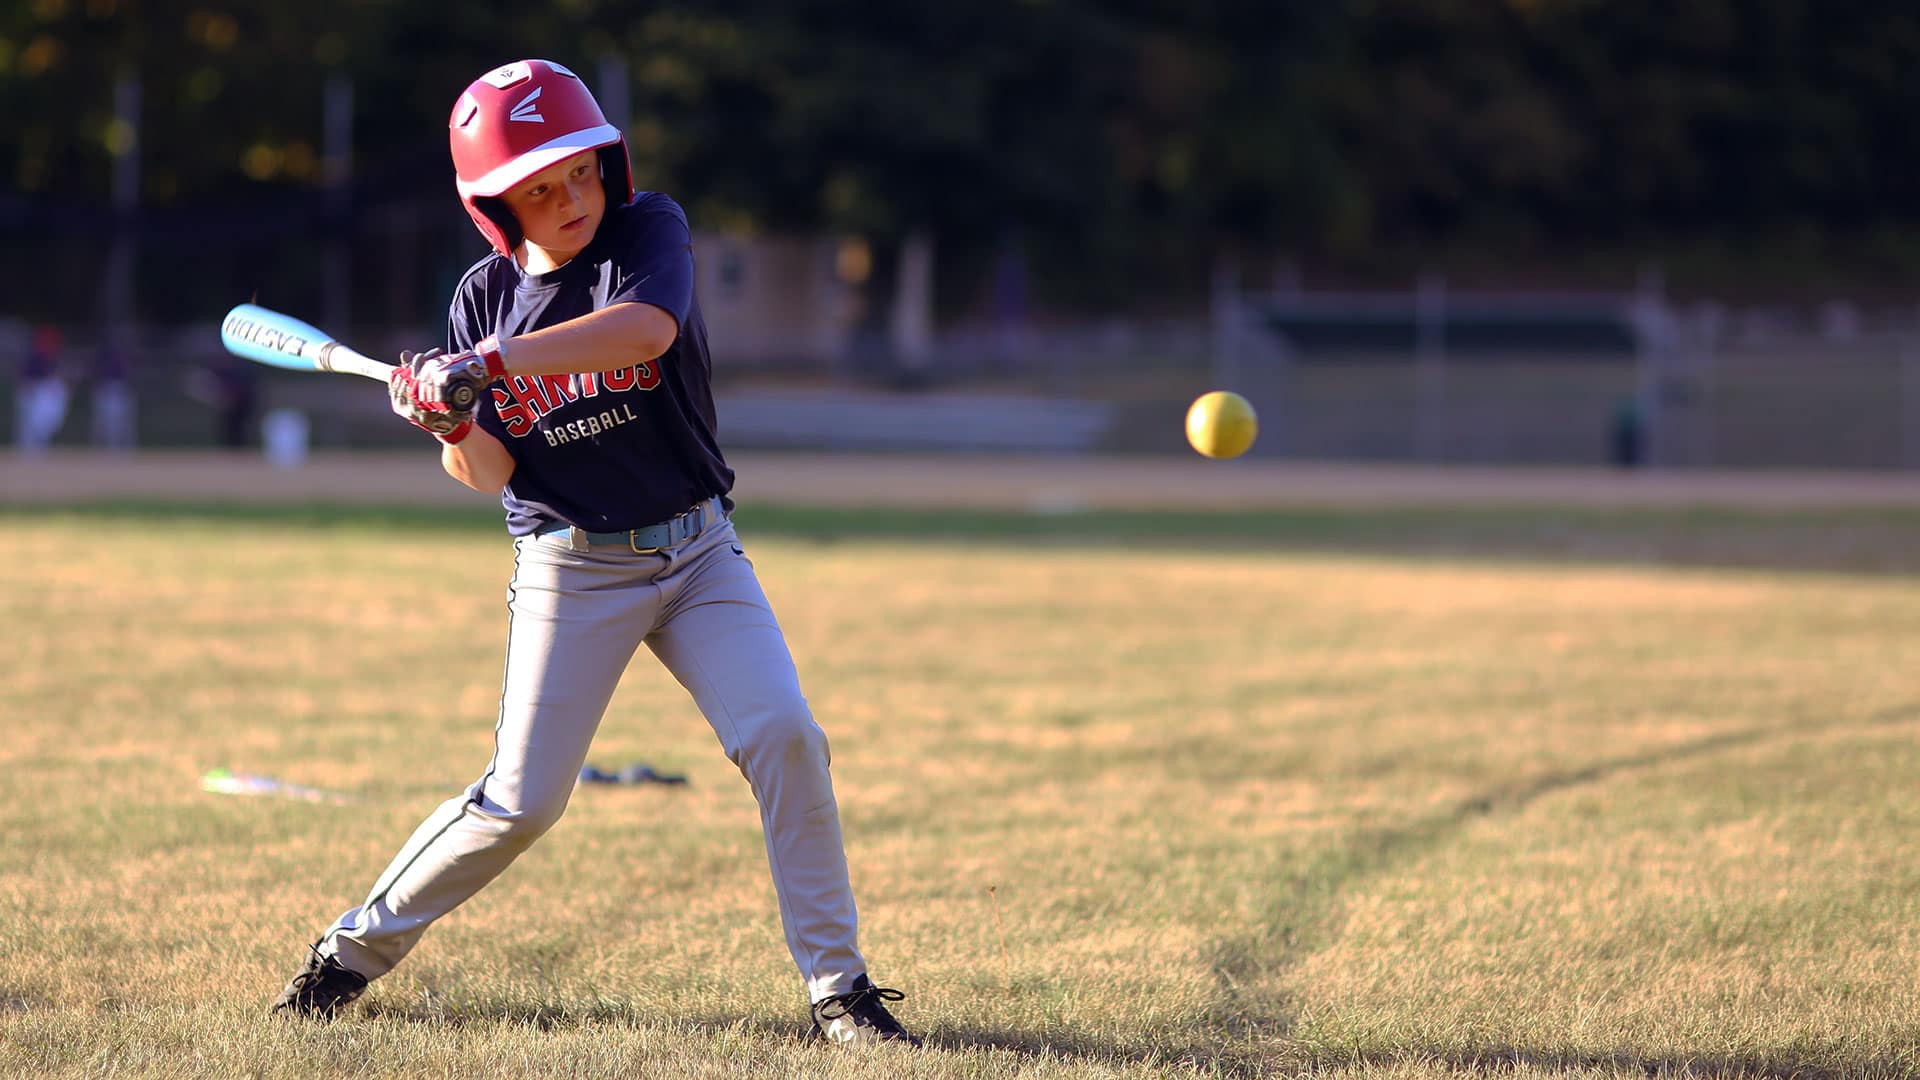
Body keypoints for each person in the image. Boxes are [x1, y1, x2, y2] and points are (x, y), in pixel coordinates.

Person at [268, 59, 919, 1048]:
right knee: (521, 805)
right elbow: (487, 475)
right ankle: (348, 955)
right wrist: (443, 418)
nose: (570, 197)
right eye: (539, 186)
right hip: (572, 569)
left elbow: (646, 332)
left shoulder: (645, 233)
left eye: (579, 171)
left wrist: (481, 369)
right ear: (495, 206)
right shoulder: (479, 302)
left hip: (698, 552)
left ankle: (842, 992)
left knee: (786, 734)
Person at [15, 324, 68, 454]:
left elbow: (52, 376)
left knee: (41, 423)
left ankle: (37, 449)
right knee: (28, 424)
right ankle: (26, 452)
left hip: (40, 392)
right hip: (31, 390)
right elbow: (24, 375)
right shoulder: (35, 354)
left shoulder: (50, 356)